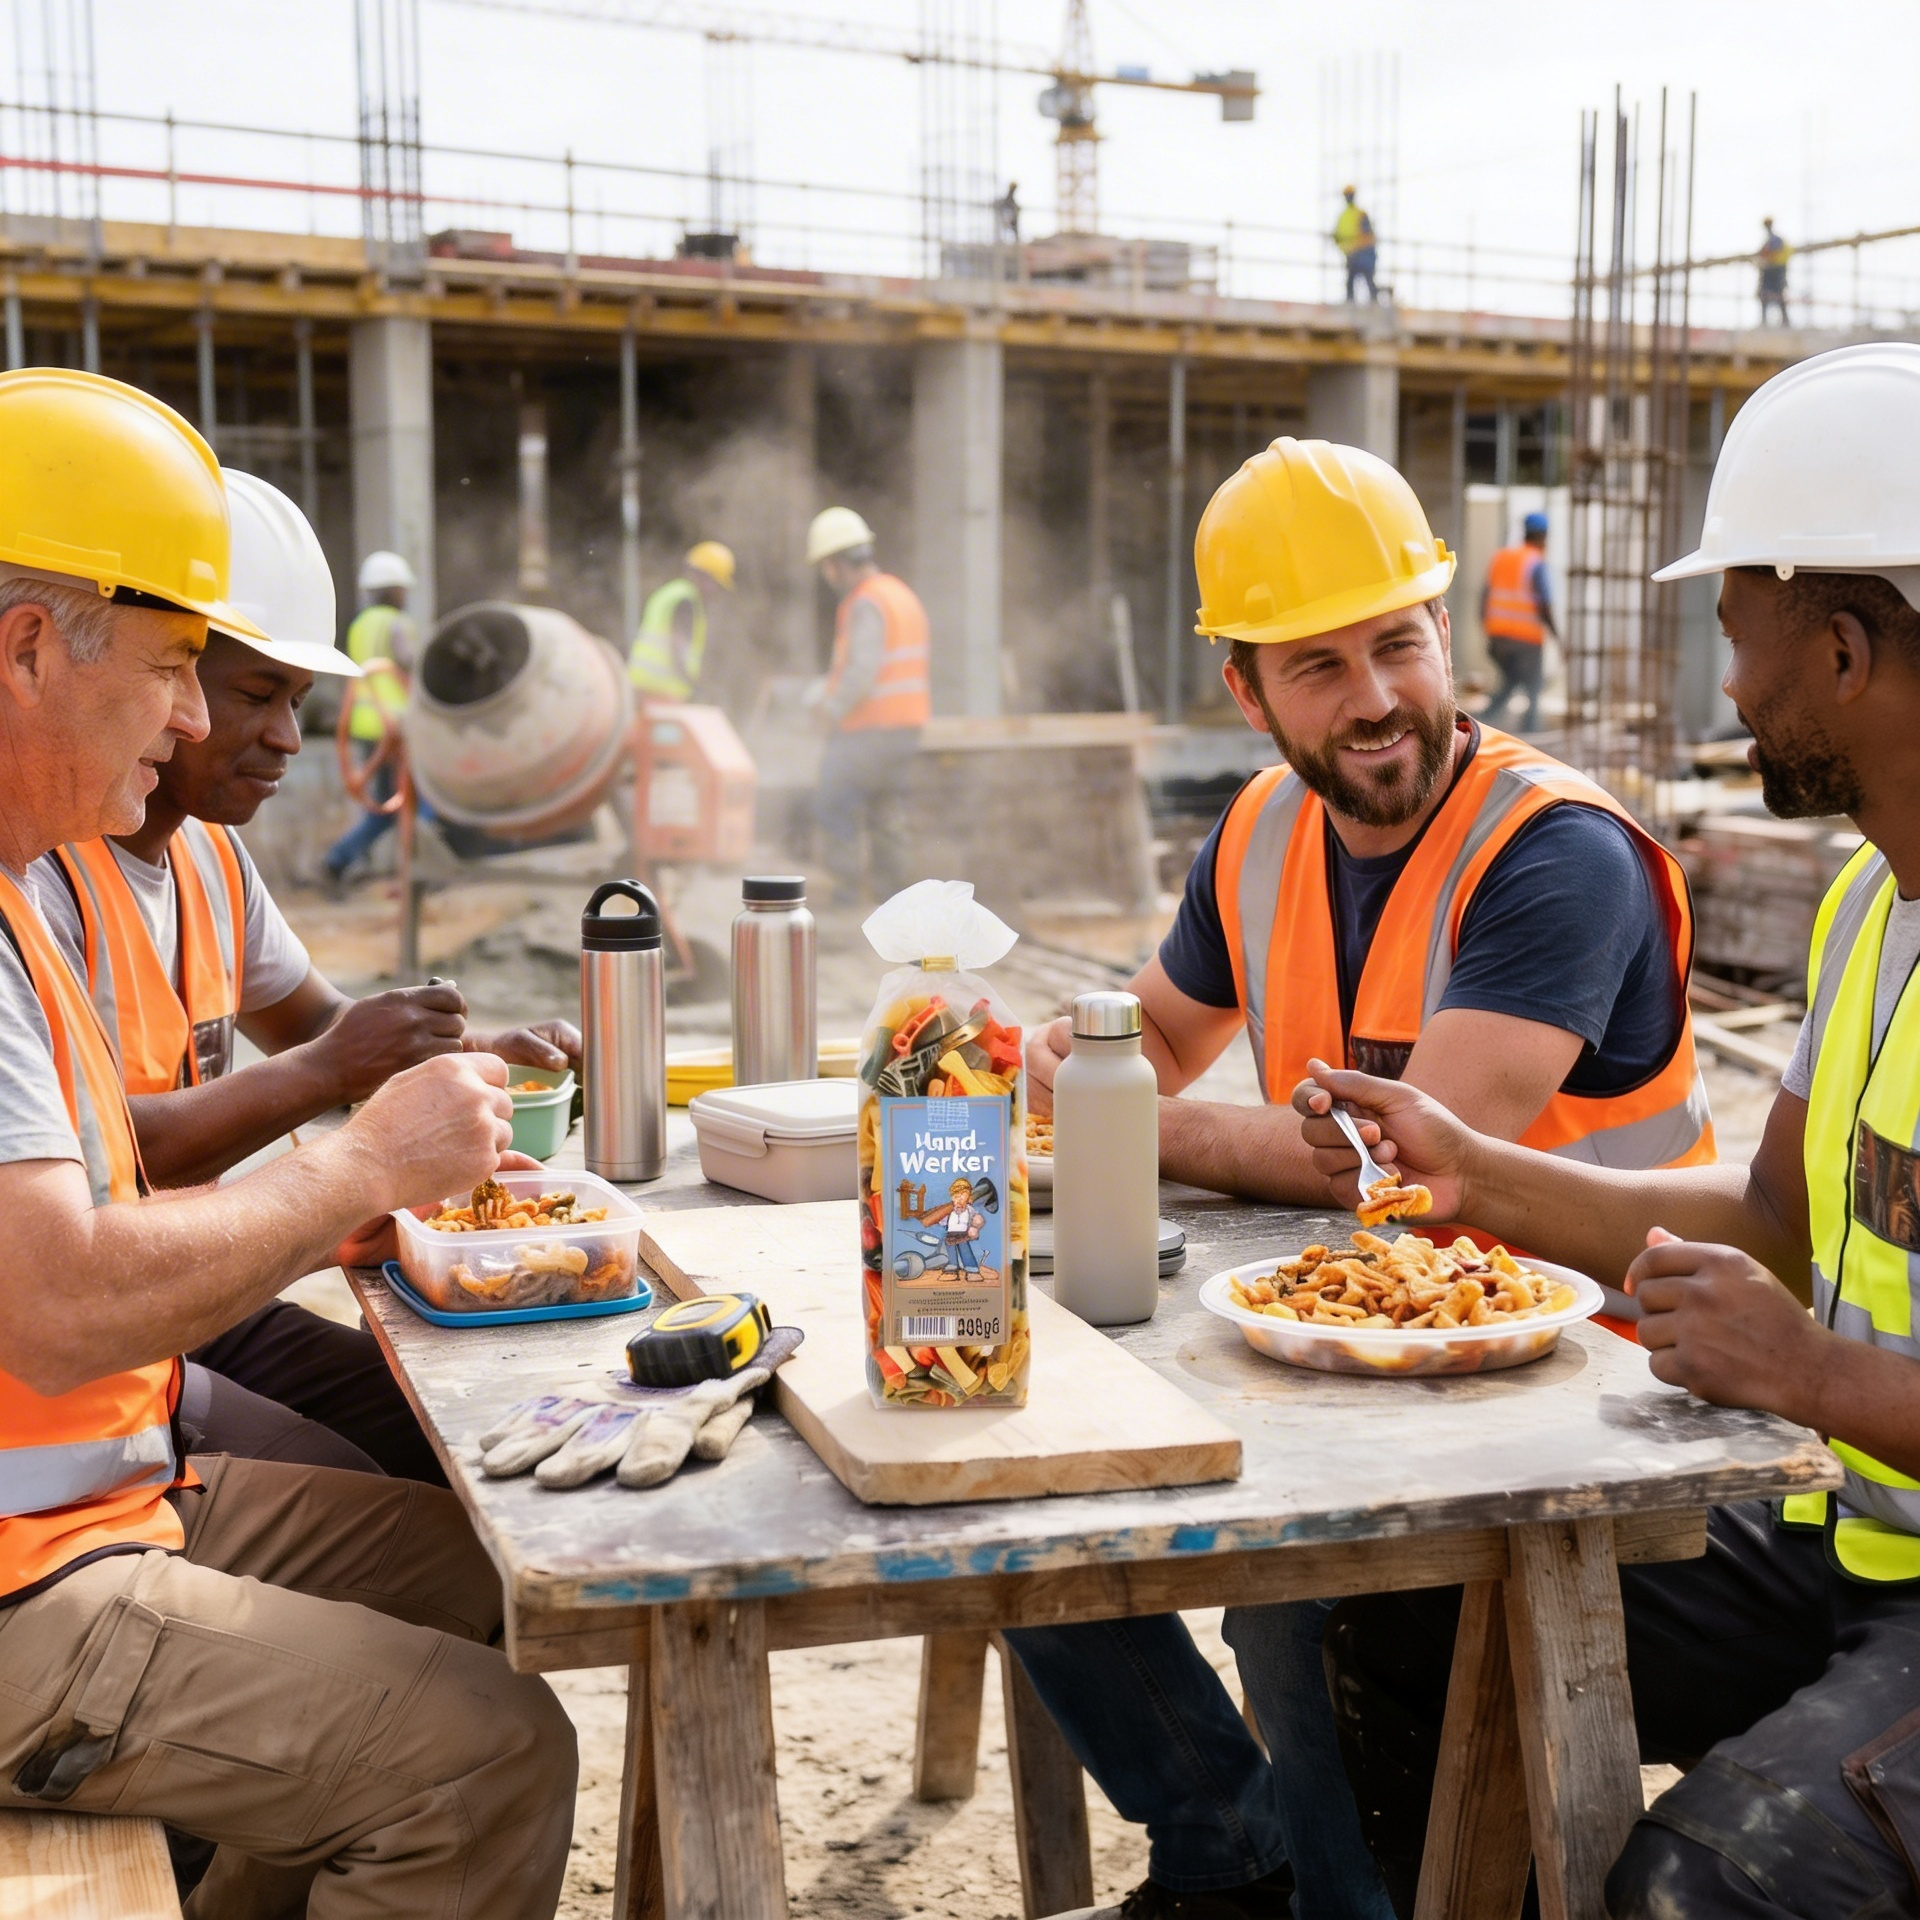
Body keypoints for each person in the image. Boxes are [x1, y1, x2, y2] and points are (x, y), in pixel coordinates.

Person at [1019, 437, 1713, 1920]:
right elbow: (1149, 1040)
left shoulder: (1558, 855)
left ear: (1446, 631)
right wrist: (1057, 1054)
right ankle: (1231, 1852)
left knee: (1304, 1597)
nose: (1377, 696)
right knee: (1011, 1474)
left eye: (1397, 643)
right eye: (1319, 666)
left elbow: (1397, 1172)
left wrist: (1115, 1117)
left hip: (1600, 1378)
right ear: (1248, 693)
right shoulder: (1260, 830)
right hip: (1363, 1350)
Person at [1279, 341, 1920, 1920]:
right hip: (1851, 1532)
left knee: (1705, 1887)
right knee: (1405, 1609)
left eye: (1739, 639)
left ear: (1845, 652)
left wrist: (1815, 1377)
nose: (1728, 689)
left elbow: (1804, 1335)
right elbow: (1772, 1222)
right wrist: (1473, 1172)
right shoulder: (1870, 903)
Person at [0, 367, 575, 1916]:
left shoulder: (29, 885)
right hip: (25, 1568)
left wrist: (366, 1156)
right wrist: (357, 1164)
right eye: (182, 671)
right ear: (31, 648)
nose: (208, 722)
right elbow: (55, 1300)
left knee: (490, 1574)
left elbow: (111, 1202)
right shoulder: (38, 895)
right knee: (490, 1759)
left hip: (98, 1486)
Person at [32, 469, 579, 1484]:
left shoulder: (211, 858)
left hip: (202, 1291)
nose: (287, 738)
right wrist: (343, 1097)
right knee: (393, 1477)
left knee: (449, 1433)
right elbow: (104, 1156)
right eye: (255, 695)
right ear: (168, 678)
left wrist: (463, 1059)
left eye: (299, 702)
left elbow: (321, 1026)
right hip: (122, 1321)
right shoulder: (45, 874)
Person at [804, 505, 931, 903]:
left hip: (867, 729)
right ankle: (895, 899)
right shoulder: (900, 595)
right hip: (904, 729)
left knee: (832, 801)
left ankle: (845, 894)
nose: (827, 575)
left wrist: (829, 711)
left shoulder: (866, 602)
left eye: (826, 566)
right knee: (886, 813)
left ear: (837, 563)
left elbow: (861, 670)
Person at [323, 547, 419, 882]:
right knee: (409, 802)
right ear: (393, 590)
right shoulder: (398, 624)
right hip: (394, 726)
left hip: (364, 722)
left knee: (387, 803)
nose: (405, 596)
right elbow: (411, 664)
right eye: (402, 589)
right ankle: (343, 858)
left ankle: (342, 859)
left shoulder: (359, 625)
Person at [627, 538, 735, 701]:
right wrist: (695, 686)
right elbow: (677, 648)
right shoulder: (686, 601)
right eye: (716, 584)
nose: (715, 591)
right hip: (662, 691)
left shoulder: (671, 592)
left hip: (641, 686)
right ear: (705, 577)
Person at [1480, 509, 1558, 733]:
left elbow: (1484, 596)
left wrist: (1488, 628)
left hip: (1498, 637)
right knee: (1533, 689)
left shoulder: (1501, 558)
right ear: (1543, 536)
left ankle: (1484, 723)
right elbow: (1544, 606)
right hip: (1526, 639)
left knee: (1510, 683)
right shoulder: (1535, 562)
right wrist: (1557, 637)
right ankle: (1529, 734)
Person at [1334, 186, 1378, 304]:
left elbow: (1367, 236)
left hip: (1362, 254)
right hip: (1354, 254)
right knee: (1353, 281)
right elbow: (1337, 237)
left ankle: (1372, 303)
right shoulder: (1345, 216)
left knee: (1367, 279)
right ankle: (1352, 302)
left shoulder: (1358, 214)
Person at [1758, 217, 1792, 326]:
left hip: (1775, 272)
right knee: (1769, 296)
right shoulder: (1772, 240)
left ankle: (1783, 321)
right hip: (1774, 272)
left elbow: (1769, 255)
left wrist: (1764, 260)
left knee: (1776, 296)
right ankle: (1768, 321)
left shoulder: (1775, 240)